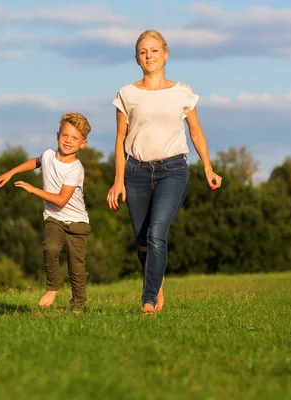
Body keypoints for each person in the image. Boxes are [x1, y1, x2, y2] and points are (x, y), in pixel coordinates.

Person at [106, 30, 222, 314]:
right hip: (136, 172)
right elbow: (120, 139)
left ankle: (148, 298)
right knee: (142, 241)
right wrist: (118, 180)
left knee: (157, 233)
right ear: (137, 58)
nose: (149, 56)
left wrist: (208, 167)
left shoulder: (182, 92)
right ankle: (157, 280)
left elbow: (195, 131)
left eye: (155, 50)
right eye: (144, 52)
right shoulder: (127, 94)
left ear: (165, 54)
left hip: (173, 170)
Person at [0, 112, 92, 312]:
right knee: (50, 248)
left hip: (77, 222)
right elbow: (37, 161)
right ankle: (53, 287)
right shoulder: (48, 155)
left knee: (76, 268)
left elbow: (61, 200)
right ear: (57, 135)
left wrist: (33, 189)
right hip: (54, 218)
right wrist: (11, 172)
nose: (68, 141)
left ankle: (78, 306)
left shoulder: (75, 169)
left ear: (83, 144)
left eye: (75, 138)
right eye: (65, 135)